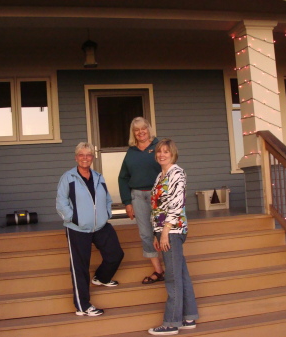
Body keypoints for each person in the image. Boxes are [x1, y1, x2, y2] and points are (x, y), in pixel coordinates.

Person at [56, 142, 124, 317]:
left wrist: (107, 212)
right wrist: (73, 218)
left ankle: (101, 278)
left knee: (115, 254)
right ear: (76, 157)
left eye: (88, 155)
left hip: (100, 225)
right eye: (81, 155)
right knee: (80, 267)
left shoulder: (98, 177)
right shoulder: (68, 177)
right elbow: (61, 202)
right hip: (78, 228)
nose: (85, 158)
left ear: (92, 158)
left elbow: (107, 198)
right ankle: (82, 305)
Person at [148, 139, 199, 336]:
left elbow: (176, 204)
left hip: (173, 231)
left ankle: (171, 322)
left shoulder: (176, 173)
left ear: (173, 154)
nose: (162, 155)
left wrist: (165, 232)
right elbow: (157, 206)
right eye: (159, 152)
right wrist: (156, 233)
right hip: (164, 230)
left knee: (172, 277)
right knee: (181, 274)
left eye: (166, 152)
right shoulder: (161, 175)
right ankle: (189, 316)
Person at [118, 117, 165, 284]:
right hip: (138, 196)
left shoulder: (159, 147)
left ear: (148, 129)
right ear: (133, 133)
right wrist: (127, 202)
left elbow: (168, 170)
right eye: (137, 130)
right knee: (146, 234)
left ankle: (171, 267)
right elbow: (123, 178)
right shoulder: (131, 152)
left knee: (162, 231)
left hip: (158, 196)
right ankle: (158, 271)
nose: (140, 132)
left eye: (143, 128)